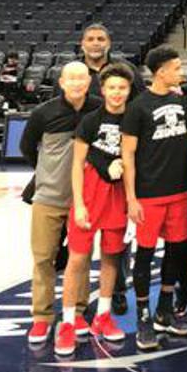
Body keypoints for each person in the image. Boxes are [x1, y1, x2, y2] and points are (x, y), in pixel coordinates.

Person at [54, 63, 135, 356]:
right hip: (89, 195)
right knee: (77, 259)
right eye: (111, 87)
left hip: (119, 198)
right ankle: (66, 322)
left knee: (112, 257)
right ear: (103, 90)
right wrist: (78, 204)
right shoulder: (90, 121)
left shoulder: (134, 119)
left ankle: (102, 314)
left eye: (122, 87)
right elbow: (76, 164)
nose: (116, 92)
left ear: (129, 90)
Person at [21, 61, 101, 345]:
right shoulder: (44, 113)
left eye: (83, 78)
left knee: (80, 259)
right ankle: (42, 318)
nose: (78, 83)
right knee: (43, 258)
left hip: (85, 200)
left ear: (89, 82)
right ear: (62, 82)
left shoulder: (99, 109)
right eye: (72, 78)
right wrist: (48, 173)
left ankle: (77, 311)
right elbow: (27, 148)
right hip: (49, 197)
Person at [121, 45, 187, 350]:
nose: (182, 72)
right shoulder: (138, 107)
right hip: (149, 195)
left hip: (179, 193)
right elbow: (127, 153)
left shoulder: (183, 101)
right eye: (177, 68)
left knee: (176, 253)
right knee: (146, 255)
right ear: (162, 71)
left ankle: (165, 309)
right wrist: (131, 198)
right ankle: (143, 316)